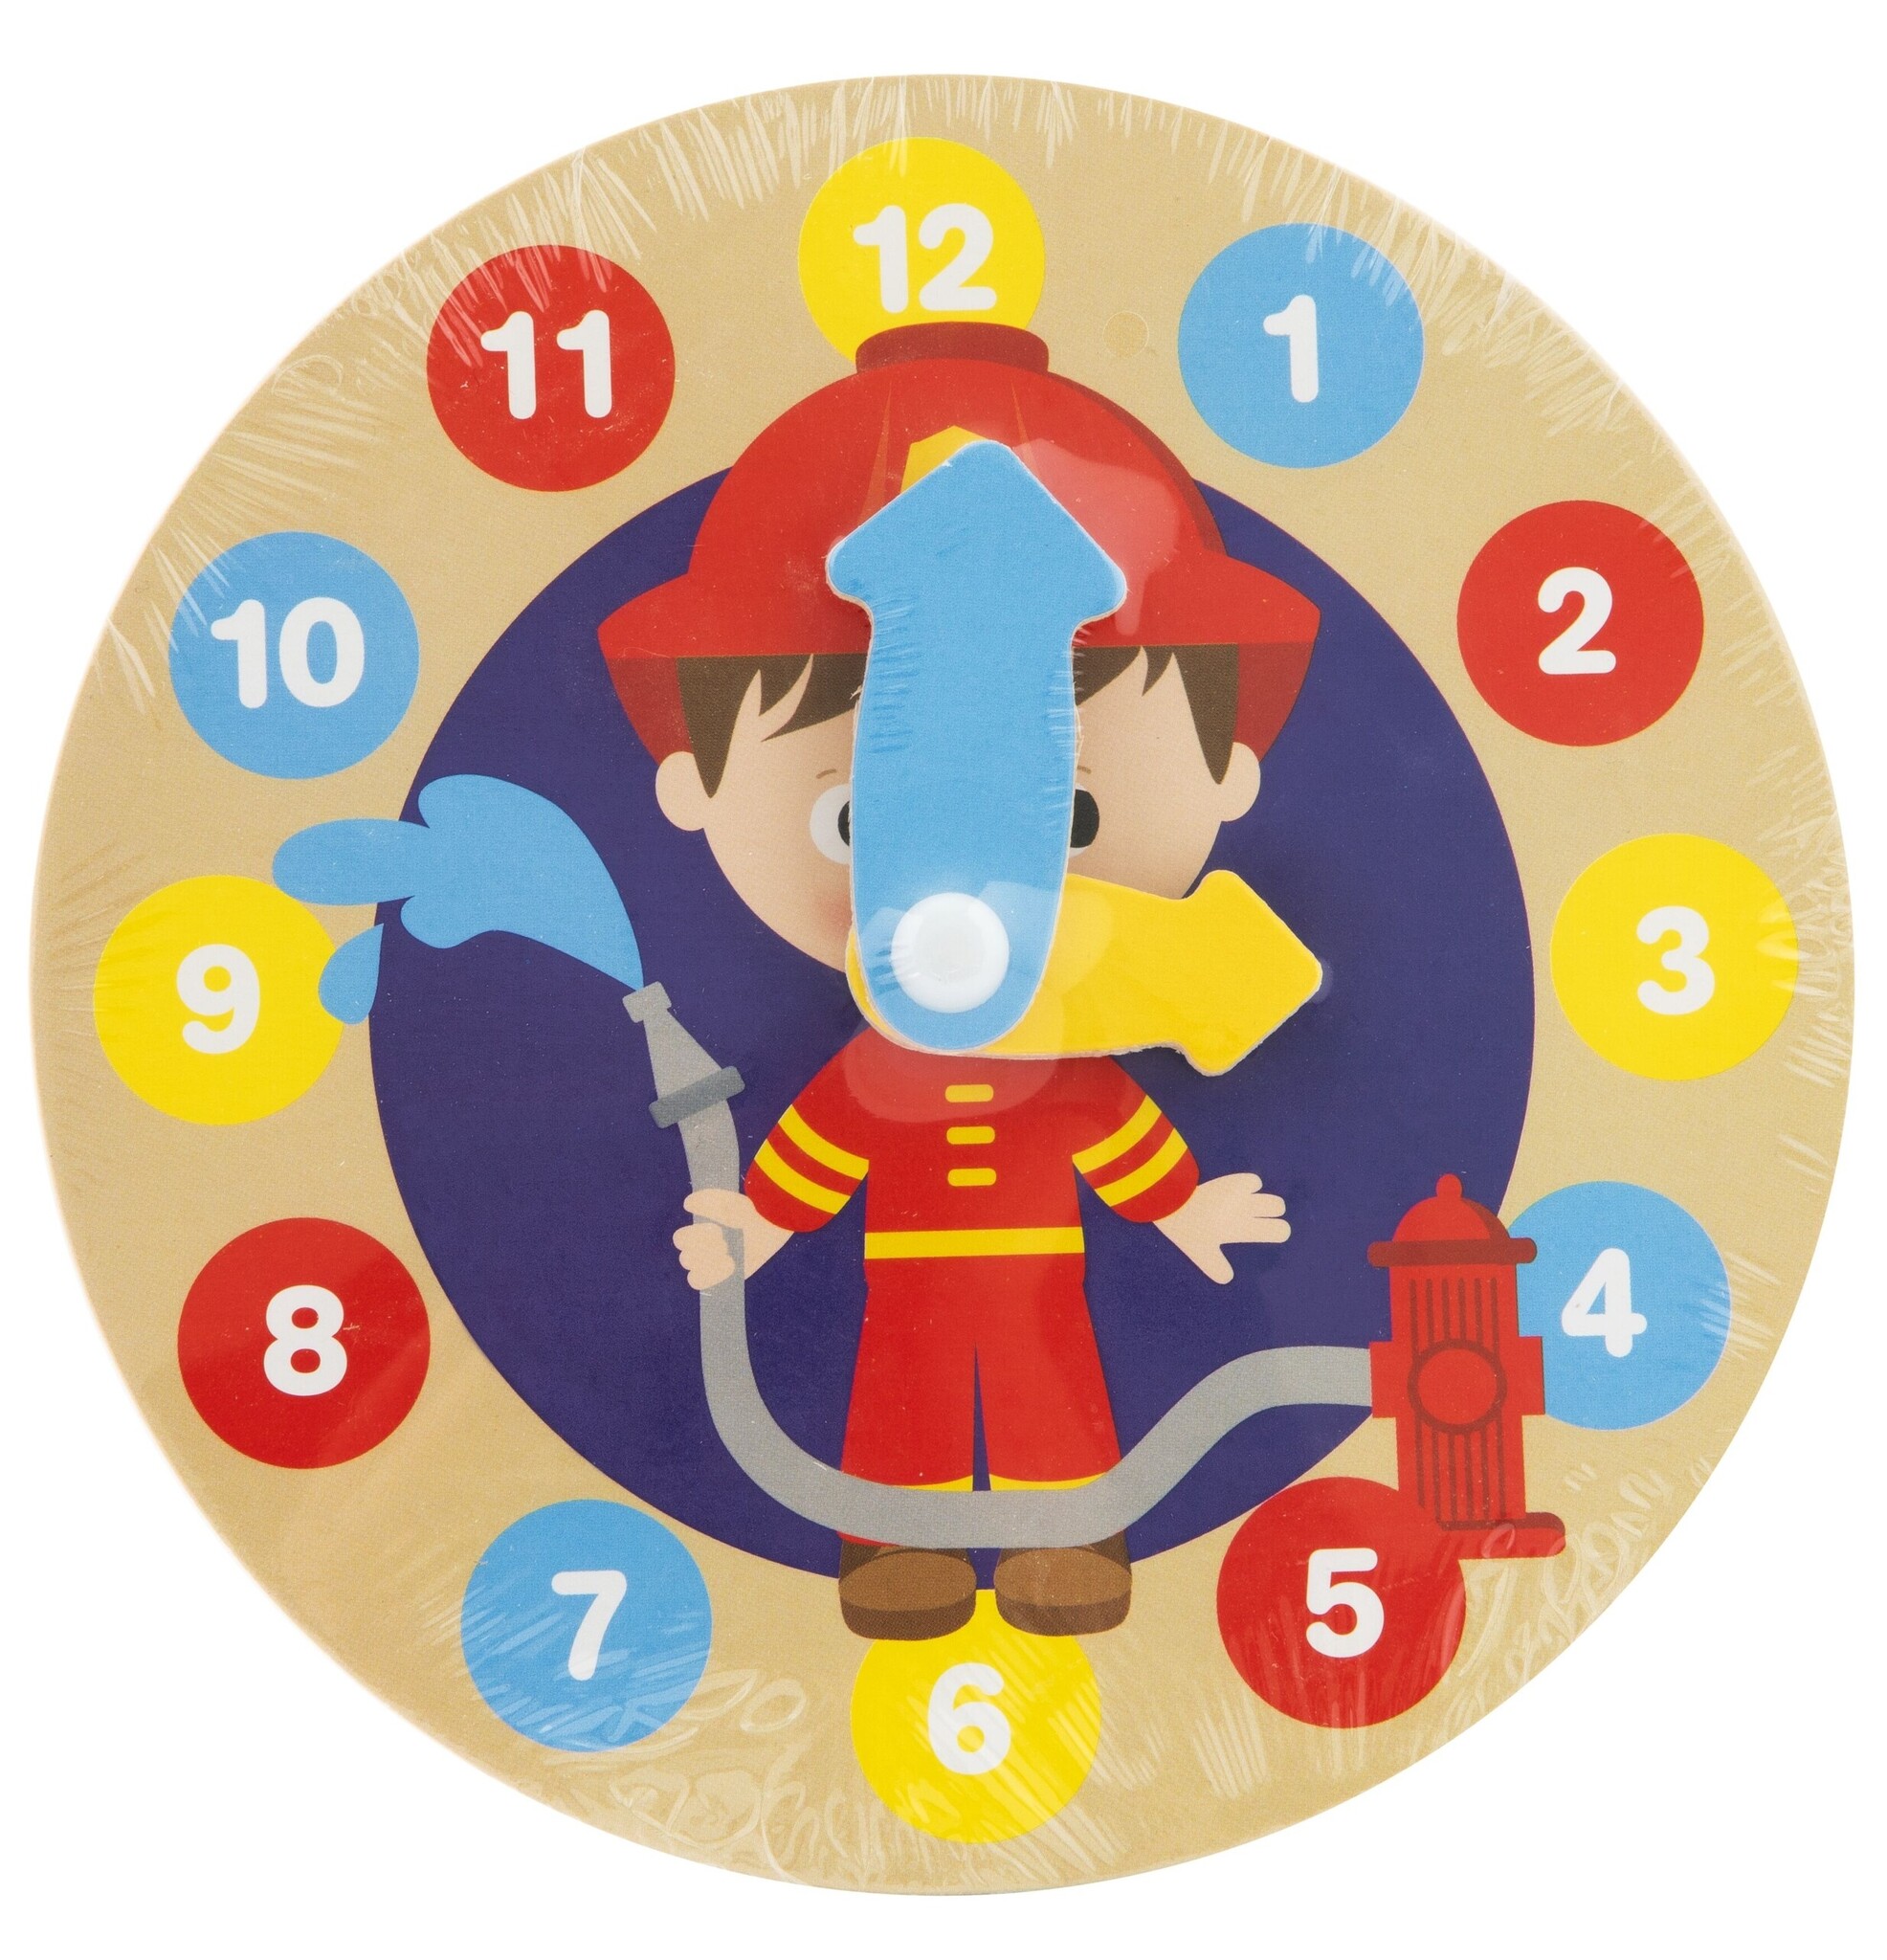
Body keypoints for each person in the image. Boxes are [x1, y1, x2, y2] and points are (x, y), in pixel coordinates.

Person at [601, 321, 1321, 1640]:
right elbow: (826, 1142)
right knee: (904, 1402)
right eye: (856, 825)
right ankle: (898, 1555)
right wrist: (757, 1225)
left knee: (1054, 1400)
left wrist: (1186, 1209)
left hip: (1040, 1267)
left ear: (1233, 773)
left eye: (1072, 825)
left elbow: (1108, 1122)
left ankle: (1067, 1549)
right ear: (689, 786)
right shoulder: (889, 1062)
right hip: (910, 1276)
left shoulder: (1062, 1047)